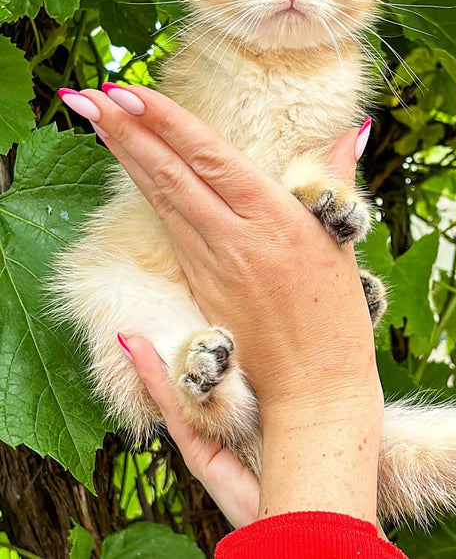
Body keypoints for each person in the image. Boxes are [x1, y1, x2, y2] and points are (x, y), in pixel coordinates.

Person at [58, 83, 407, 558]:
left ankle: (213, 389)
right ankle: (218, 390)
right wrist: (325, 415)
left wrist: (311, 457)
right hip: (162, 299)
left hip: (256, 421)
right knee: (117, 294)